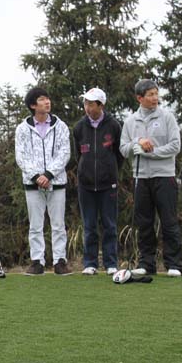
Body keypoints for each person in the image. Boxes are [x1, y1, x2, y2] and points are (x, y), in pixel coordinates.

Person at [120, 79, 182, 277]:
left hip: (164, 176)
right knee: (144, 223)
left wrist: (151, 152)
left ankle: (174, 264)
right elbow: (123, 149)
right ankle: (147, 264)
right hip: (141, 178)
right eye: (150, 94)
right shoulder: (131, 121)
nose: (155, 98)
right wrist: (137, 143)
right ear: (140, 98)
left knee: (169, 221)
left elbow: (175, 146)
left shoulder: (167, 117)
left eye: (156, 93)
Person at [15, 87, 72, 276]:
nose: (47, 102)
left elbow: (65, 152)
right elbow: (21, 156)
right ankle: (37, 262)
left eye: (48, 98)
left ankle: (60, 261)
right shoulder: (22, 129)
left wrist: (48, 174)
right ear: (33, 105)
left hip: (57, 182)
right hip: (32, 184)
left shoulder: (61, 126)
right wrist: (36, 176)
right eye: (42, 99)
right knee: (35, 225)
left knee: (58, 224)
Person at [73, 88, 124, 276]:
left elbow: (119, 155)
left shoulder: (114, 125)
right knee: (89, 225)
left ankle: (111, 263)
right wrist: (84, 171)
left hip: (108, 184)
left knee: (110, 225)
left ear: (100, 105)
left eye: (91, 104)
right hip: (85, 184)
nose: (87, 107)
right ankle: (90, 263)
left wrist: (110, 171)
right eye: (85, 103)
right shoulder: (79, 127)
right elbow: (78, 154)